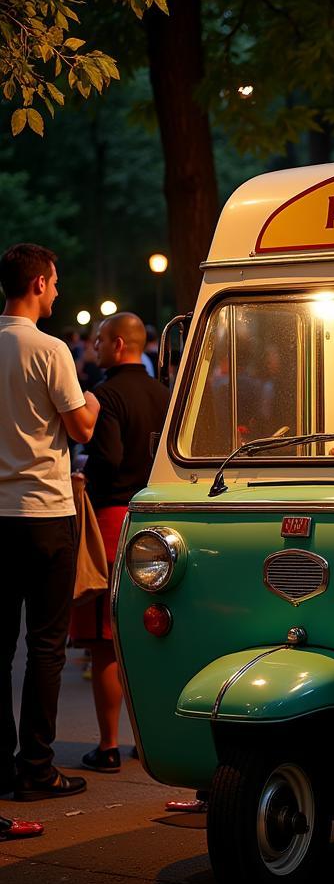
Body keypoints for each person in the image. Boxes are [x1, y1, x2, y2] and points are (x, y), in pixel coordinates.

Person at [0, 243, 99, 801]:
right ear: (37, 284)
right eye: (55, 282)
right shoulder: (49, 349)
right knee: (45, 646)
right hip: (43, 513)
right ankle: (37, 767)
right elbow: (81, 428)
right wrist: (92, 399)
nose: (58, 291)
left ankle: (0, 767)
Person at [70, 313, 170, 773]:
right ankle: (148, 740)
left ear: (116, 344)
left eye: (98, 341)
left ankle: (108, 744)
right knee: (147, 637)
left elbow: (106, 457)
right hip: (154, 522)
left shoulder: (105, 395)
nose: (94, 348)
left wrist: (84, 476)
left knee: (105, 642)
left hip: (113, 520)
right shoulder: (164, 394)